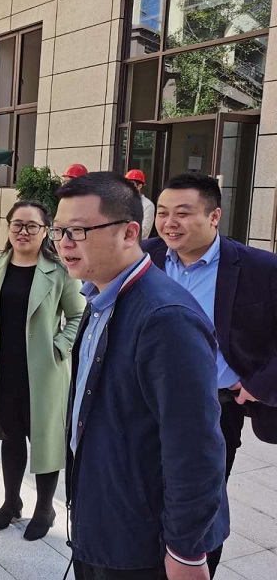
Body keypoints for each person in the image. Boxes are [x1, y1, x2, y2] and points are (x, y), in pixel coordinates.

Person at [53, 171, 227, 580]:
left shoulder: (165, 318)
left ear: (130, 233)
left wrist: (185, 551)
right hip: (105, 517)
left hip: (145, 542)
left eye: (79, 231)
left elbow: (195, 446)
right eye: (58, 230)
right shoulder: (99, 294)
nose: (64, 243)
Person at [144, 172, 277, 571]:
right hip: (146, 403)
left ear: (214, 216)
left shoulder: (259, 267)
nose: (169, 223)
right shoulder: (143, 257)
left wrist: (259, 384)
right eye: (162, 212)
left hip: (216, 408)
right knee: (146, 492)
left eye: (183, 213)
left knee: (202, 502)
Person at [0, 200, 84, 541]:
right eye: (17, 225)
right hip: (2, 369)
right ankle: (12, 501)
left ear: (45, 230)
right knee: (11, 436)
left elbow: (79, 315)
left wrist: (58, 347)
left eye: (31, 226)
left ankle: (45, 508)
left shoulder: (59, 270)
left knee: (45, 440)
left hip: (44, 371)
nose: (23, 231)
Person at [125, 169, 155, 238]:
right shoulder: (121, 202)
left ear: (139, 186)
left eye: (131, 184)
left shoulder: (148, 205)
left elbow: (144, 231)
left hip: (136, 243)